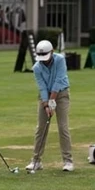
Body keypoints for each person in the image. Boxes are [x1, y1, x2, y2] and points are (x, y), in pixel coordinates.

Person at [26, 40, 74, 173]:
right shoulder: (37, 67)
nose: (44, 61)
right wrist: (46, 104)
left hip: (62, 94)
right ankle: (36, 161)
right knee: (41, 128)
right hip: (45, 96)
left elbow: (59, 80)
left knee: (63, 127)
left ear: (52, 52)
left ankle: (68, 161)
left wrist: (52, 101)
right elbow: (42, 87)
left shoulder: (60, 60)